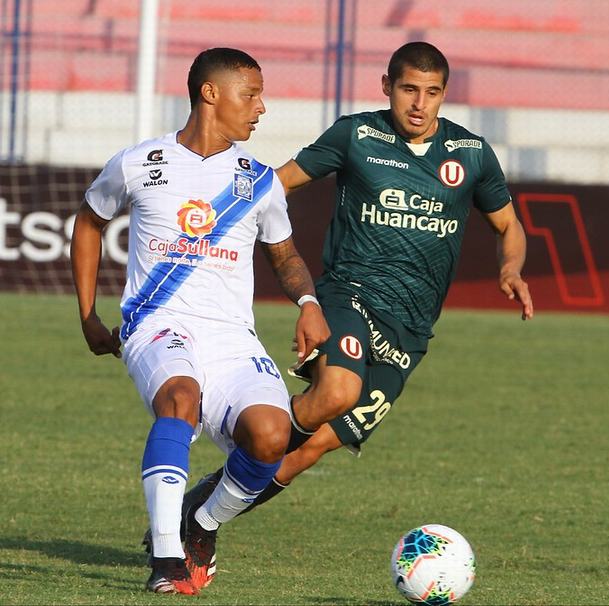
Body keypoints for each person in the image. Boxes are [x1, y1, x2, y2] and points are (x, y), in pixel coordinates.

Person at [174, 40, 534, 586]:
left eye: (432, 93)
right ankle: (251, 440)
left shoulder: (472, 154)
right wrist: (203, 215)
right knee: (336, 393)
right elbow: (276, 183)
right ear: (387, 86)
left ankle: (203, 511)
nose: (419, 104)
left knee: (308, 451)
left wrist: (511, 268)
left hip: (410, 333)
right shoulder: (357, 136)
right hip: (349, 296)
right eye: (408, 89)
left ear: (444, 95)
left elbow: (509, 225)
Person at [71, 47, 329, 595]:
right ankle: (167, 555)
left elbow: (285, 256)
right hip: (157, 324)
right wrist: (89, 315)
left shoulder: (260, 180)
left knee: (272, 436)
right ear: (210, 94)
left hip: (232, 336)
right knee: (180, 398)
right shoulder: (140, 162)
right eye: (251, 94)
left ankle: (201, 523)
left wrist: (309, 303)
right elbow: (90, 222)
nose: (261, 108)